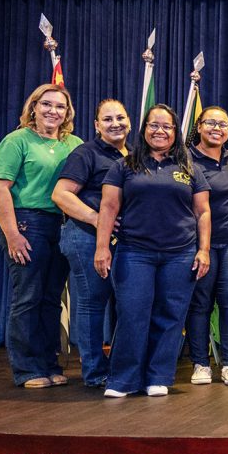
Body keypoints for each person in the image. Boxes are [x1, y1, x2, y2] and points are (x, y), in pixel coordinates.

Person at [94, 104, 211, 398]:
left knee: (170, 316)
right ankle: (122, 380)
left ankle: (158, 376)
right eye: (154, 125)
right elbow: (108, 207)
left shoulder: (190, 168)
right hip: (134, 252)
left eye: (167, 126)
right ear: (144, 129)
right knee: (132, 314)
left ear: (176, 132)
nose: (160, 131)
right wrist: (102, 247)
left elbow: (203, 212)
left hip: (180, 254)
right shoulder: (124, 166)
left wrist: (204, 250)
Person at [0, 83, 83, 388]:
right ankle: (27, 369)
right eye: (46, 104)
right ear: (34, 107)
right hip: (26, 223)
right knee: (28, 296)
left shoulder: (74, 144)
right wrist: (12, 234)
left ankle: (48, 364)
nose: (53, 111)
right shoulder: (17, 140)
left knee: (51, 299)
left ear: (67, 112)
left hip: (62, 224)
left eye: (60, 106)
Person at [52, 98, 128, 388]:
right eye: (107, 119)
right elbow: (61, 194)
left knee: (126, 303)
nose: (115, 124)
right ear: (97, 125)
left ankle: (119, 366)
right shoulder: (86, 153)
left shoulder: (133, 155)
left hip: (122, 241)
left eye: (120, 118)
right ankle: (95, 372)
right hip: (85, 237)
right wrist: (98, 219)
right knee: (92, 303)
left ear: (129, 121)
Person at [183, 106, 228, 387]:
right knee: (201, 302)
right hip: (198, 243)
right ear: (199, 126)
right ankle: (200, 363)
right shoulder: (185, 159)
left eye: (223, 124)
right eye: (210, 123)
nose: (217, 128)